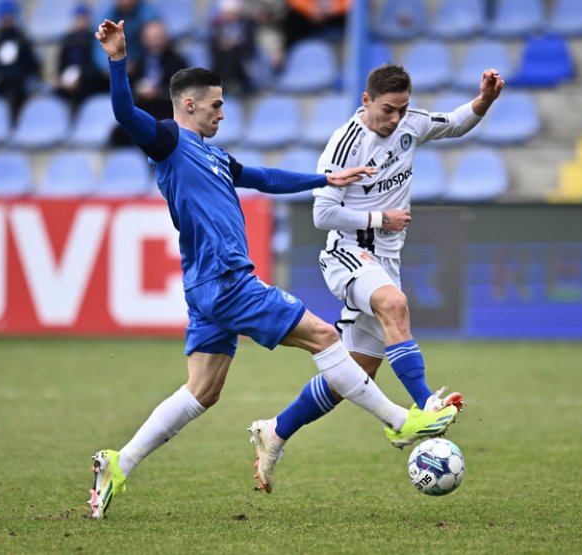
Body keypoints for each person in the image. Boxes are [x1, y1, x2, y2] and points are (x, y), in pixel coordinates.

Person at [87, 20, 459, 519]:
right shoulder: (170, 141)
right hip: (225, 278)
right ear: (190, 104)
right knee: (325, 337)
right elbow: (123, 113)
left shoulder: (213, 155)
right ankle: (399, 421)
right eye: (216, 104)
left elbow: (263, 178)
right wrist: (117, 60)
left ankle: (120, 462)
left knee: (204, 390)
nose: (223, 110)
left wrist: (325, 177)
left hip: (204, 287)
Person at [249, 63, 505, 493]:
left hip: (386, 260)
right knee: (395, 304)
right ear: (366, 101)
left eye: (402, 109)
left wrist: (485, 101)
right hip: (347, 253)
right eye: (388, 109)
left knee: (355, 372)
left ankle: (275, 431)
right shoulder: (345, 143)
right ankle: (426, 406)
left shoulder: (411, 124)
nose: (395, 119)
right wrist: (379, 217)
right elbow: (321, 214)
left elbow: (455, 123)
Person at [110, 19, 188, 145]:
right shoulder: (139, 62)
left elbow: (184, 92)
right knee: (118, 134)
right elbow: (130, 88)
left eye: (158, 38)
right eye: (151, 38)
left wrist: (159, 92)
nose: (154, 43)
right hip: (143, 111)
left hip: (166, 113)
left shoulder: (177, 62)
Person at [54, 5, 108, 112]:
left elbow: (96, 64)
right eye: (78, 18)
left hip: (88, 81)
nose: (81, 21)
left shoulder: (95, 38)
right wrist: (61, 78)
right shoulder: (68, 39)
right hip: (69, 79)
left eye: (83, 18)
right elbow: (62, 62)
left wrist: (81, 79)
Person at [209, 0, 257, 95]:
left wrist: (233, 46)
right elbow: (213, 47)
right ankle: (224, 83)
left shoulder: (247, 25)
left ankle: (232, 83)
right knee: (224, 54)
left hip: (241, 65)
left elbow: (250, 48)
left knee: (232, 53)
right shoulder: (217, 26)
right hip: (221, 64)